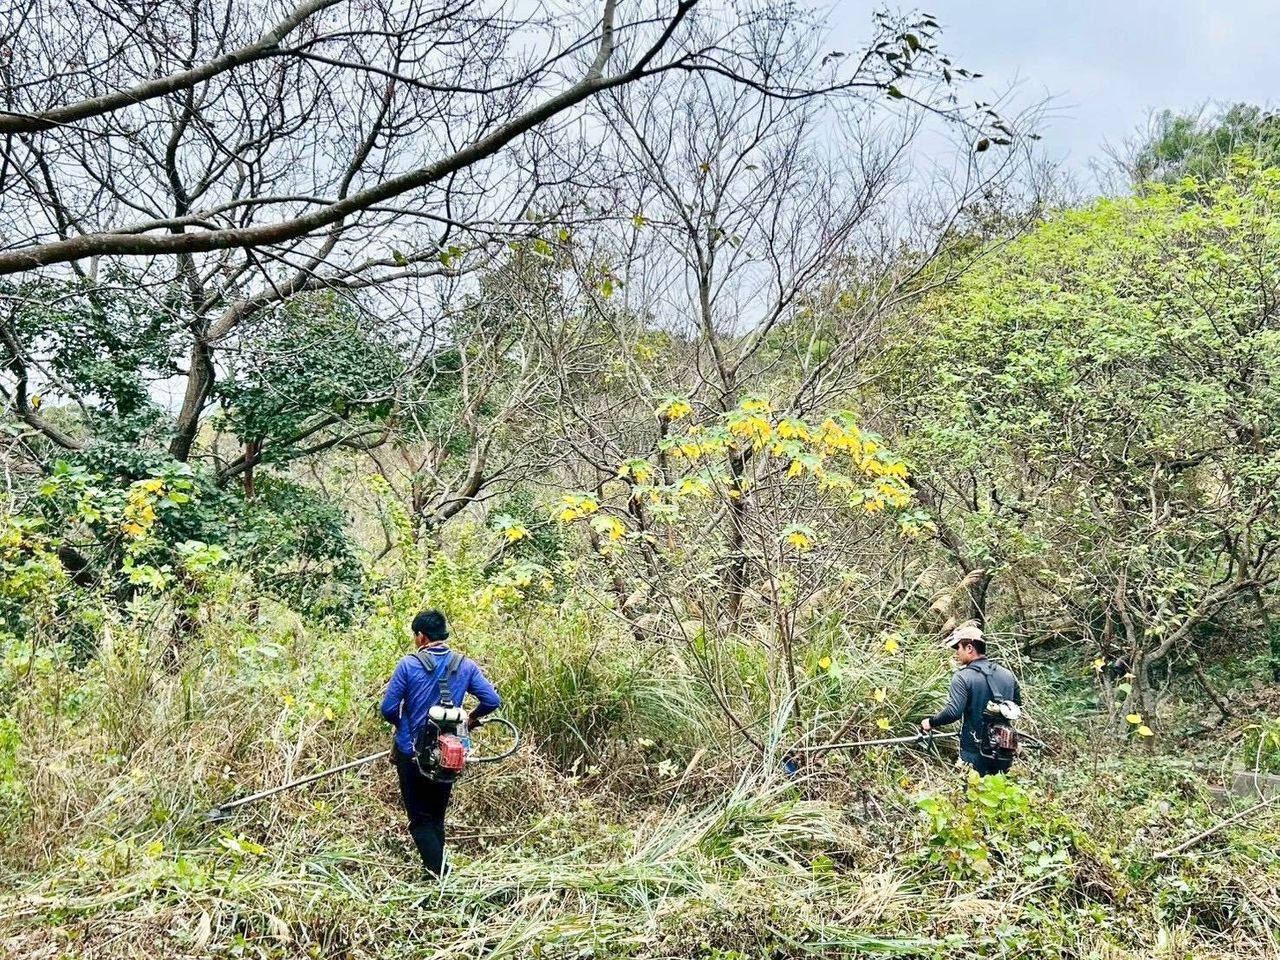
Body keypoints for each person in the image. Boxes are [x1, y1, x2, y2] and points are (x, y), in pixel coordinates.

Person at [380, 609, 501, 877]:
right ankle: (433, 872)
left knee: (419, 819)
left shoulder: (409, 665)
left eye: (415, 635)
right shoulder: (465, 665)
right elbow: (492, 700)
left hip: (412, 751)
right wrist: (471, 719)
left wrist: (402, 724)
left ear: (421, 636)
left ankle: (440, 876)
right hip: (448, 752)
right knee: (435, 816)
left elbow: (388, 708)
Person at [920, 624, 1022, 776]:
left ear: (969, 648)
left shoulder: (962, 677)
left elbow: (953, 712)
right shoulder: (1007, 674)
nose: (957, 653)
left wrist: (931, 722)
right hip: (1004, 750)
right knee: (999, 788)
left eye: (958, 648)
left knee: (973, 788)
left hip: (974, 751)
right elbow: (1017, 705)